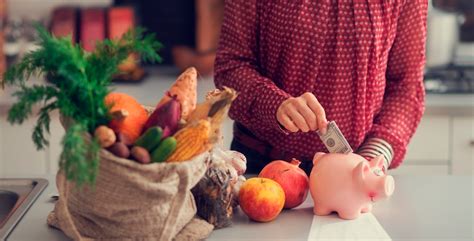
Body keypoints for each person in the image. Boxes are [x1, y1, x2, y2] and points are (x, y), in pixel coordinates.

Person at [214, 1, 427, 175]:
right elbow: (230, 67)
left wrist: (373, 156)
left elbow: (405, 86)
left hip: (356, 172)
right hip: (261, 165)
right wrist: (276, 105)